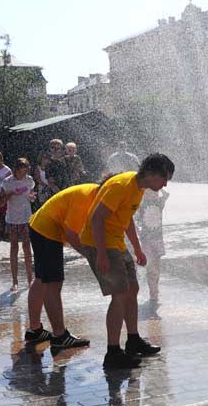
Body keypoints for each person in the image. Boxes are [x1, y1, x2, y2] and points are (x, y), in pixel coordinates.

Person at [80, 153, 175, 369]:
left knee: (132, 289)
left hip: (116, 242)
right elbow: (96, 218)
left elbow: (127, 219)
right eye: (164, 178)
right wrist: (101, 253)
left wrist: (138, 248)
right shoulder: (122, 185)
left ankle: (133, 341)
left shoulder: (137, 188)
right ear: (150, 174)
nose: (165, 184)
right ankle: (112, 352)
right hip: (100, 243)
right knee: (120, 295)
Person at [25, 182, 104, 349]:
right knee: (53, 284)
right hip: (48, 231)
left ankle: (35, 330)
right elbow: (72, 234)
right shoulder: (85, 199)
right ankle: (60, 335)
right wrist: (91, 256)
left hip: (39, 226)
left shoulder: (91, 192)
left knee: (41, 279)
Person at [0, 158, 36, 292]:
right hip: (12, 218)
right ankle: (15, 281)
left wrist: (32, 197)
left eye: (26, 170)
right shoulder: (7, 182)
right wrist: (10, 194)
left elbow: (30, 194)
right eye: (22, 170)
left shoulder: (29, 180)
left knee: (27, 247)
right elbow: (0, 202)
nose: (24, 173)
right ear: (16, 169)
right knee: (14, 248)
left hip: (26, 217)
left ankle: (30, 279)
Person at [137, 188, 170, 311]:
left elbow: (167, 194)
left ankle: (155, 290)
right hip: (146, 241)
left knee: (156, 267)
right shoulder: (142, 204)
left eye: (154, 192)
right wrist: (138, 231)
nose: (153, 194)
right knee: (151, 268)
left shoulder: (159, 203)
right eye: (149, 192)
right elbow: (133, 218)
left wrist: (159, 188)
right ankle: (153, 293)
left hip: (158, 240)